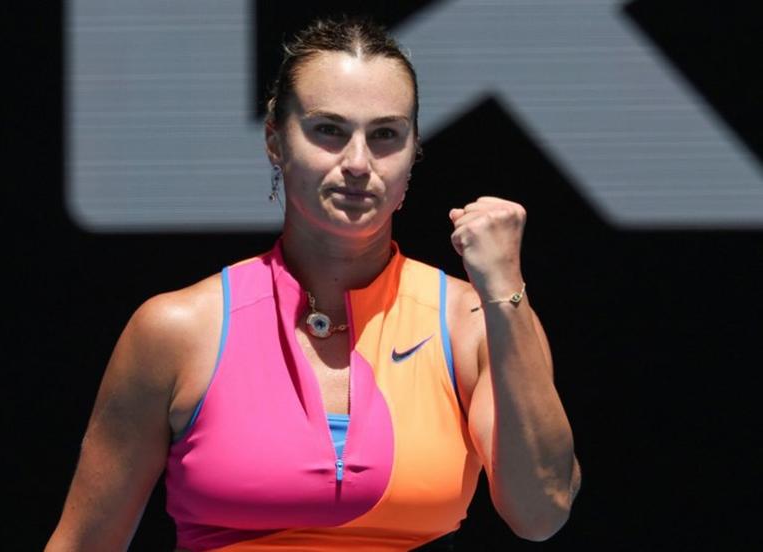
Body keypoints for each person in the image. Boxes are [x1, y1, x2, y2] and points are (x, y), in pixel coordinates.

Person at [46, 16, 580, 552]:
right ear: (275, 141)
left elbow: (540, 514)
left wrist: (505, 290)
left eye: (386, 136)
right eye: (329, 130)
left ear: (414, 152)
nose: (357, 162)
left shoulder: (476, 322)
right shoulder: (176, 330)